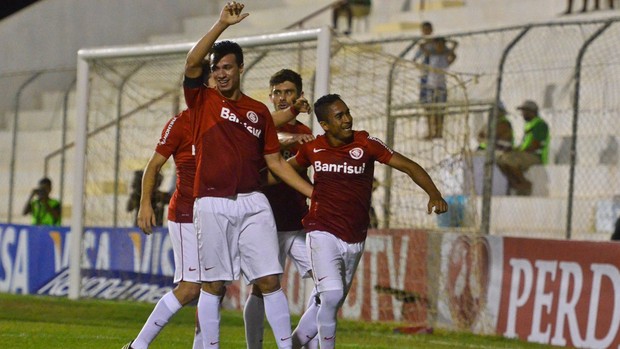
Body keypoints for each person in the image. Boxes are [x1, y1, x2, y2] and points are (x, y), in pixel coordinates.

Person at [184, 3, 314, 348]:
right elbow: (192, 64)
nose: (222, 73)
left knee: (270, 280)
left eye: (228, 67)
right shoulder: (203, 101)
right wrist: (221, 25)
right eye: (218, 68)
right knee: (214, 285)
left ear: (241, 69)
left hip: (254, 202)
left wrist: (313, 193)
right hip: (212, 201)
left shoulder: (258, 112)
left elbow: (276, 163)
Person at [278, 94, 447, 349]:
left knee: (328, 302)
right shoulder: (313, 148)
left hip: (355, 237)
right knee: (331, 295)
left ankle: (290, 346)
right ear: (325, 125)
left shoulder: (366, 143)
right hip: (321, 230)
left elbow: (409, 166)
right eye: (339, 116)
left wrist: (434, 194)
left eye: (347, 113)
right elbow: (284, 169)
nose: (347, 119)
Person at [244, 69, 319, 349]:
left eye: (289, 92)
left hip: (297, 222)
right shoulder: (257, 128)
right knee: (261, 288)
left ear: (299, 95)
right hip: (265, 224)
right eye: (277, 92)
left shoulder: (306, 133)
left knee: (326, 282)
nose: (283, 97)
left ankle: (300, 340)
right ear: (270, 96)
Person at [496, 100, 550, 196]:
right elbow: (525, 144)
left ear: (532, 112)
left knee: (509, 158)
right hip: (526, 154)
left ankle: (524, 183)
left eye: (524, 111)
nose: (522, 114)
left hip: (535, 156)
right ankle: (515, 183)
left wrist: (517, 152)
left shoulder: (540, 124)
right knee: (499, 160)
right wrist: (515, 150)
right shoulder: (530, 124)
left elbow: (535, 145)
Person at [416, 36, 457, 139]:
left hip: (441, 87)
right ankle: (430, 132)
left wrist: (447, 43)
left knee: (441, 111)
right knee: (430, 110)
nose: (439, 47)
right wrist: (431, 41)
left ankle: (439, 132)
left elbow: (455, 48)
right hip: (430, 87)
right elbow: (421, 46)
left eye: (441, 45)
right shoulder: (430, 56)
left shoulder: (445, 57)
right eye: (437, 45)